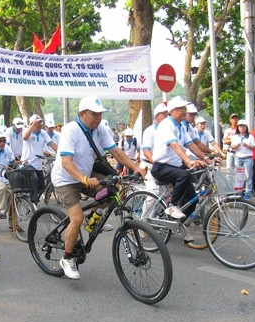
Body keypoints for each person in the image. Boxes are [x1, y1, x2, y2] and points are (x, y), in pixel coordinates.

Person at [51, 96, 145, 280]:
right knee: (76, 218)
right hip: (66, 179)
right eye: (93, 114)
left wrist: (136, 169)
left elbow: (116, 152)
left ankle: (92, 220)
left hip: (86, 175)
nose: (98, 118)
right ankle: (67, 258)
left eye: (100, 114)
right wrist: (84, 179)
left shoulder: (100, 129)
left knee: (112, 192)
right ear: (81, 114)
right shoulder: (71, 130)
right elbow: (66, 162)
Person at [151, 96, 210, 242]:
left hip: (174, 166)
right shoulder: (166, 125)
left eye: (185, 109)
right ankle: (172, 205)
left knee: (192, 201)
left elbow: (191, 145)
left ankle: (180, 227)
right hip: (161, 167)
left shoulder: (181, 127)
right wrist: (188, 160)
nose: (185, 111)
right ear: (172, 111)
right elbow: (174, 145)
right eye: (181, 109)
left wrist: (205, 159)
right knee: (184, 175)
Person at [21, 114, 58, 205]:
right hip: (28, 162)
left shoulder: (43, 133)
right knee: (34, 178)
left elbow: (51, 144)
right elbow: (25, 137)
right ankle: (33, 201)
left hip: (38, 163)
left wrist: (61, 152)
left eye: (41, 122)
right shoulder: (27, 132)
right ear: (32, 123)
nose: (40, 124)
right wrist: (32, 125)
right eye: (38, 122)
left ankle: (35, 198)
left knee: (41, 185)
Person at [140, 103, 168, 192]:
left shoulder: (167, 130)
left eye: (167, 115)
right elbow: (146, 151)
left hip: (163, 167)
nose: (166, 118)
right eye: (163, 115)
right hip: (150, 166)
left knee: (166, 195)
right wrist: (156, 163)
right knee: (153, 194)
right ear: (156, 116)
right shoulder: (150, 131)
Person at [230, 120, 255, 200]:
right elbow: (232, 147)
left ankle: (248, 192)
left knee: (248, 176)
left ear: (246, 127)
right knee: (239, 176)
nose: (242, 128)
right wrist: (237, 145)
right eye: (240, 126)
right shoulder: (235, 137)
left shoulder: (250, 136)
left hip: (248, 158)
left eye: (243, 126)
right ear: (238, 127)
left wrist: (247, 145)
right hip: (238, 157)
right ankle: (239, 192)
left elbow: (254, 147)